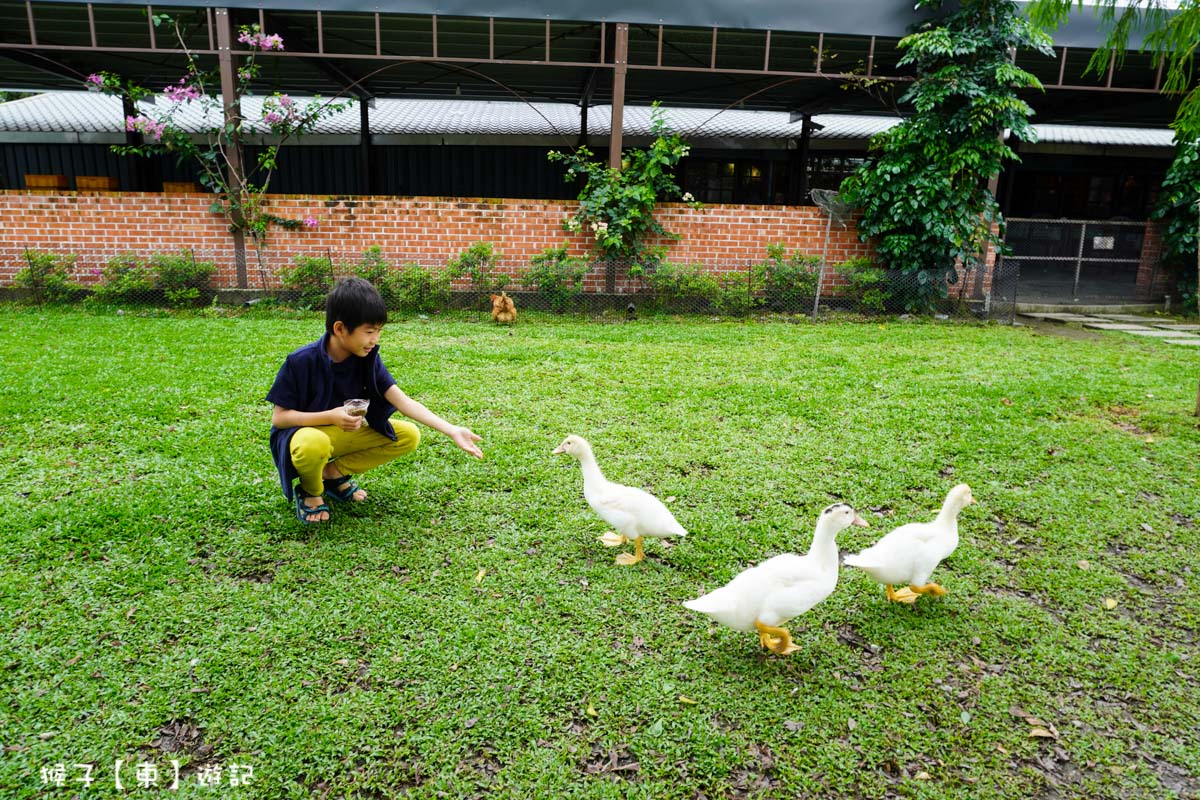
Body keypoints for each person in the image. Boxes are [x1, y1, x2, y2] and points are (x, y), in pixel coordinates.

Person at [266, 277, 483, 523]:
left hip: (342, 436)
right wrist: (331, 416)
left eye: (379, 331)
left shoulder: (367, 358)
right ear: (339, 328)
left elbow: (403, 401)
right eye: (369, 331)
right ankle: (311, 491)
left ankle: (332, 474)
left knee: (408, 435)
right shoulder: (301, 361)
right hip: (304, 437)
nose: (375, 339)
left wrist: (452, 430)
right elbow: (280, 418)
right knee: (314, 443)